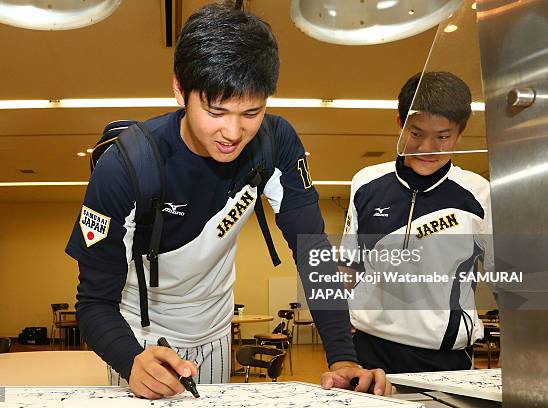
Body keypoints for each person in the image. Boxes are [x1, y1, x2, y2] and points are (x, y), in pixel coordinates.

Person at [65, 2, 392, 400]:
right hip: (136, 335)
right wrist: (131, 358)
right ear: (179, 89)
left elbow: (313, 252)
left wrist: (342, 357)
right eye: (215, 110)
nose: (233, 133)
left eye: (251, 112)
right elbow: (94, 301)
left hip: (216, 330)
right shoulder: (124, 166)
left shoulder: (276, 143)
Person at [339, 71, 494, 373]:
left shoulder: (478, 193)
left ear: (461, 133)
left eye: (443, 137)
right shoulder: (366, 182)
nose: (427, 149)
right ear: (400, 123)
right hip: (368, 348)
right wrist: (339, 341)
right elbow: (349, 266)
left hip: (443, 354)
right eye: (417, 133)